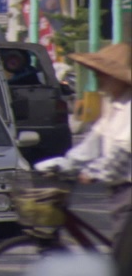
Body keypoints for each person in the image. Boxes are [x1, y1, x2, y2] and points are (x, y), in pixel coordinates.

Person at [39, 43, 131, 245]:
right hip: (117, 192)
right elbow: (93, 142)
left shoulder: (129, 108)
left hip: (128, 191)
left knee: (122, 258)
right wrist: (67, 164)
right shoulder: (111, 103)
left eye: (103, 75)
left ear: (118, 78)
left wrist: (91, 173)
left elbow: (121, 156)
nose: (98, 80)